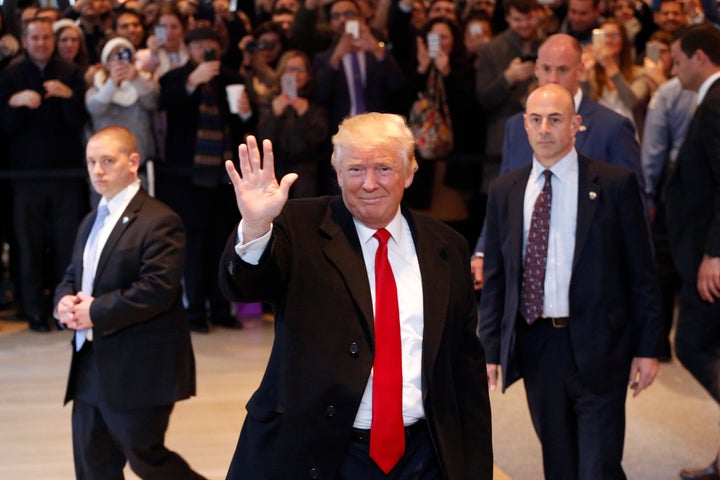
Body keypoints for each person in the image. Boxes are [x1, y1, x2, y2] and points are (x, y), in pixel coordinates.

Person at [218, 112, 493, 479]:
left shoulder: (447, 248)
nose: (368, 184)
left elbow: (465, 369)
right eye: (355, 170)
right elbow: (244, 285)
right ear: (337, 173)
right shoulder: (297, 227)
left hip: (423, 458)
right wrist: (254, 226)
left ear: (409, 172)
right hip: (321, 455)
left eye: (383, 168)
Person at [479, 83, 662, 479]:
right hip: (537, 344)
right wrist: (491, 348)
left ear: (576, 125)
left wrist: (648, 348)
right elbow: (496, 277)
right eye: (536, 119)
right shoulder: (505, 190)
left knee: (597, 464)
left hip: (601, 342)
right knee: (558, 462)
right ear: (524, 126)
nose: (545, 128)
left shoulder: (614, 185)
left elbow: (642, 274)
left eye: (556, 119)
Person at [54, 126, 204, 480]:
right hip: (90, 362)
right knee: (93, 463)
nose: (97, 170)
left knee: (146, 459)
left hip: (138, 366)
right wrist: (63, 302)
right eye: (91, 162)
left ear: (133, 162)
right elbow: (74, 274)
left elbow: (157, 289)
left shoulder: (159, 220)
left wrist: (94, 310)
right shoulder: (92, 219)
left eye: (108, 160)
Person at [471, 33, 643, 290]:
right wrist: (484, 250)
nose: (552, 79)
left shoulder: (612, 128)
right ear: (536, 69)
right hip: (526, 281)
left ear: (580, 70)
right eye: (546, 69)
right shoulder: (517, 127)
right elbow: (503, 198)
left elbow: (634, 210)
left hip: (592, 280)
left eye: (562, 70)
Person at [159, 27, 254, 332]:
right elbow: (167, 103)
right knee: (193, 247)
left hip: (225, 178)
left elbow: (247, 126)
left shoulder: (232, 78)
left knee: (223, 244)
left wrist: (246, 113)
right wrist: (191, 82)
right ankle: (196, 311)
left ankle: (223, 309)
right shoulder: (174, 77)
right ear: (188, 49)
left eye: (210, 46)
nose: (204, 52)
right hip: (187, 178)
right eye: (198, 46)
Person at [0, 17, 88, 332]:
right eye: (35, 38)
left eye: (46, 37)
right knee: (29, 246)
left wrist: (67, 96)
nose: (41, 43)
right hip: (25, 177)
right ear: (25, 41)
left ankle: (65, 310)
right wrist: (13, 103)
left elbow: (81, 120)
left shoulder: (71, 73)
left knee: (67, 246)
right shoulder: (10, 75)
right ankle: (34, 310)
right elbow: (4, 125)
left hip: (66, 174)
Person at [665, 24, 720, 480]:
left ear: (699, 57)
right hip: (701, 248)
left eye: (678, 60)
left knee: (692, 344)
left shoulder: (718, 99)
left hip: (710, 254)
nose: (673, 67)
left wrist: (715, 253)